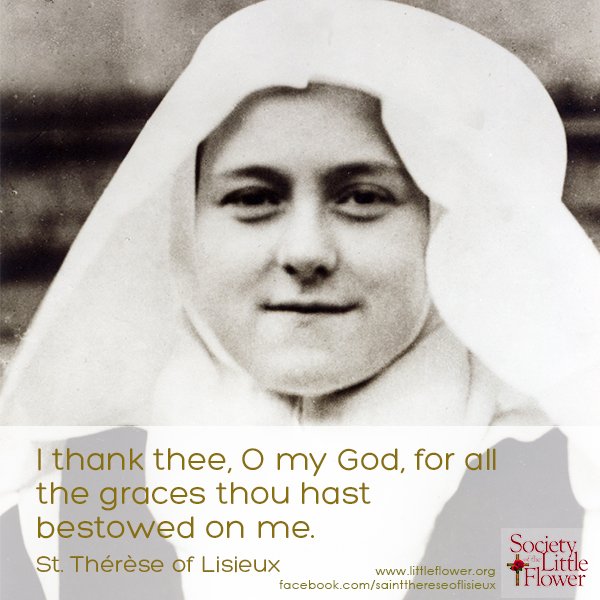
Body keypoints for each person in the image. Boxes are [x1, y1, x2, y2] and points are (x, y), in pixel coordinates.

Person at [1, 0, 600, 597]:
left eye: (362, 197)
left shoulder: (554, 488)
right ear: (185, 229)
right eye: (254, 197)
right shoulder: (68, 504)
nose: (305, 251)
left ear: (444, 228)